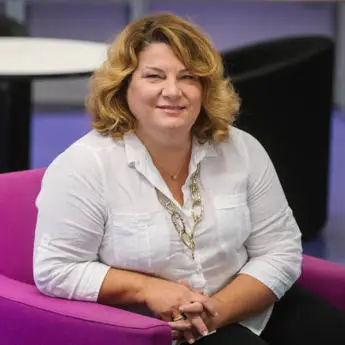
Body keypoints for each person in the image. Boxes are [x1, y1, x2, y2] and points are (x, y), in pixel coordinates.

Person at [33, 12, 345, 345]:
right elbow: (56, 269)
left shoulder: (242, 148)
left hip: (242, 304)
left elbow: (279, 250)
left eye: (188, 77)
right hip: (153, 327)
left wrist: (216, 311)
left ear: (205, 88)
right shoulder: (84, 165)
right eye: (154, 76)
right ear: (123, 86)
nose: (173, 91)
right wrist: (148, 288)